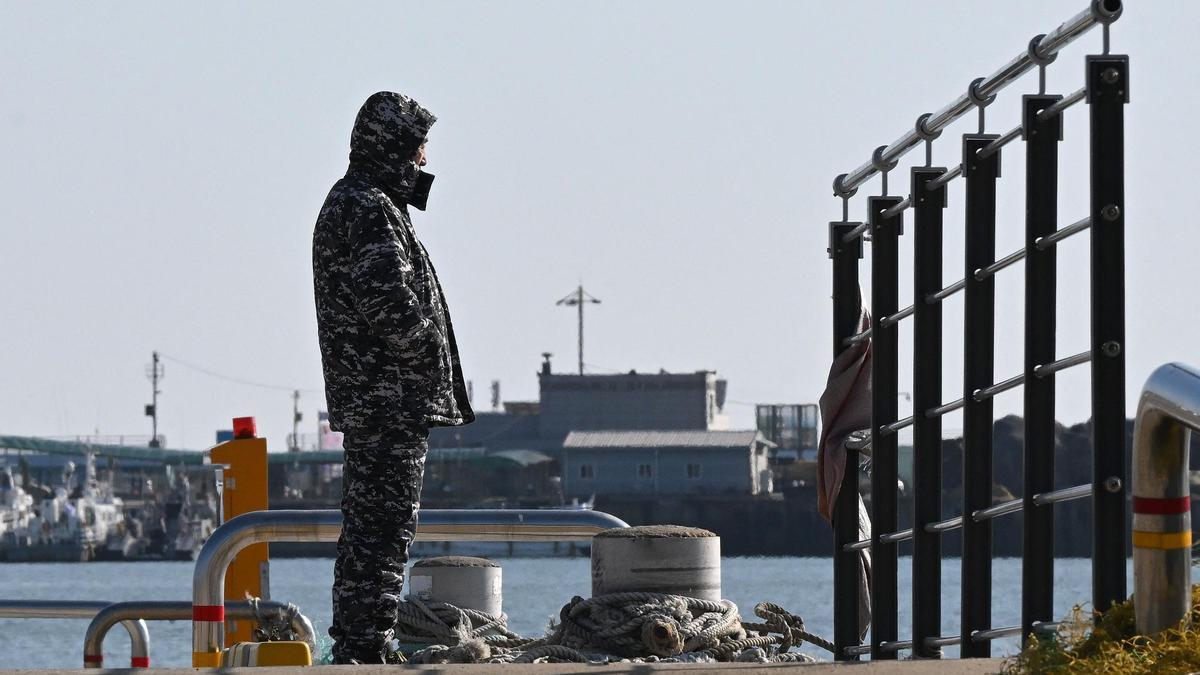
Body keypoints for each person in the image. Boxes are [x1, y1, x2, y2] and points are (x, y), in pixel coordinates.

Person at [312, 91, 474, 664]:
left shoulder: (359, 203)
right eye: (417, 147)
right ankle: (366, 648)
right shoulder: (370, 207)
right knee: (382, 534)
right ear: (394, 149)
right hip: (387, 401)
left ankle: (361, 644)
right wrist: (427, 357)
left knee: (371, 532)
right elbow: (389, 305)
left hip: (376, 399)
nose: (425, 159)